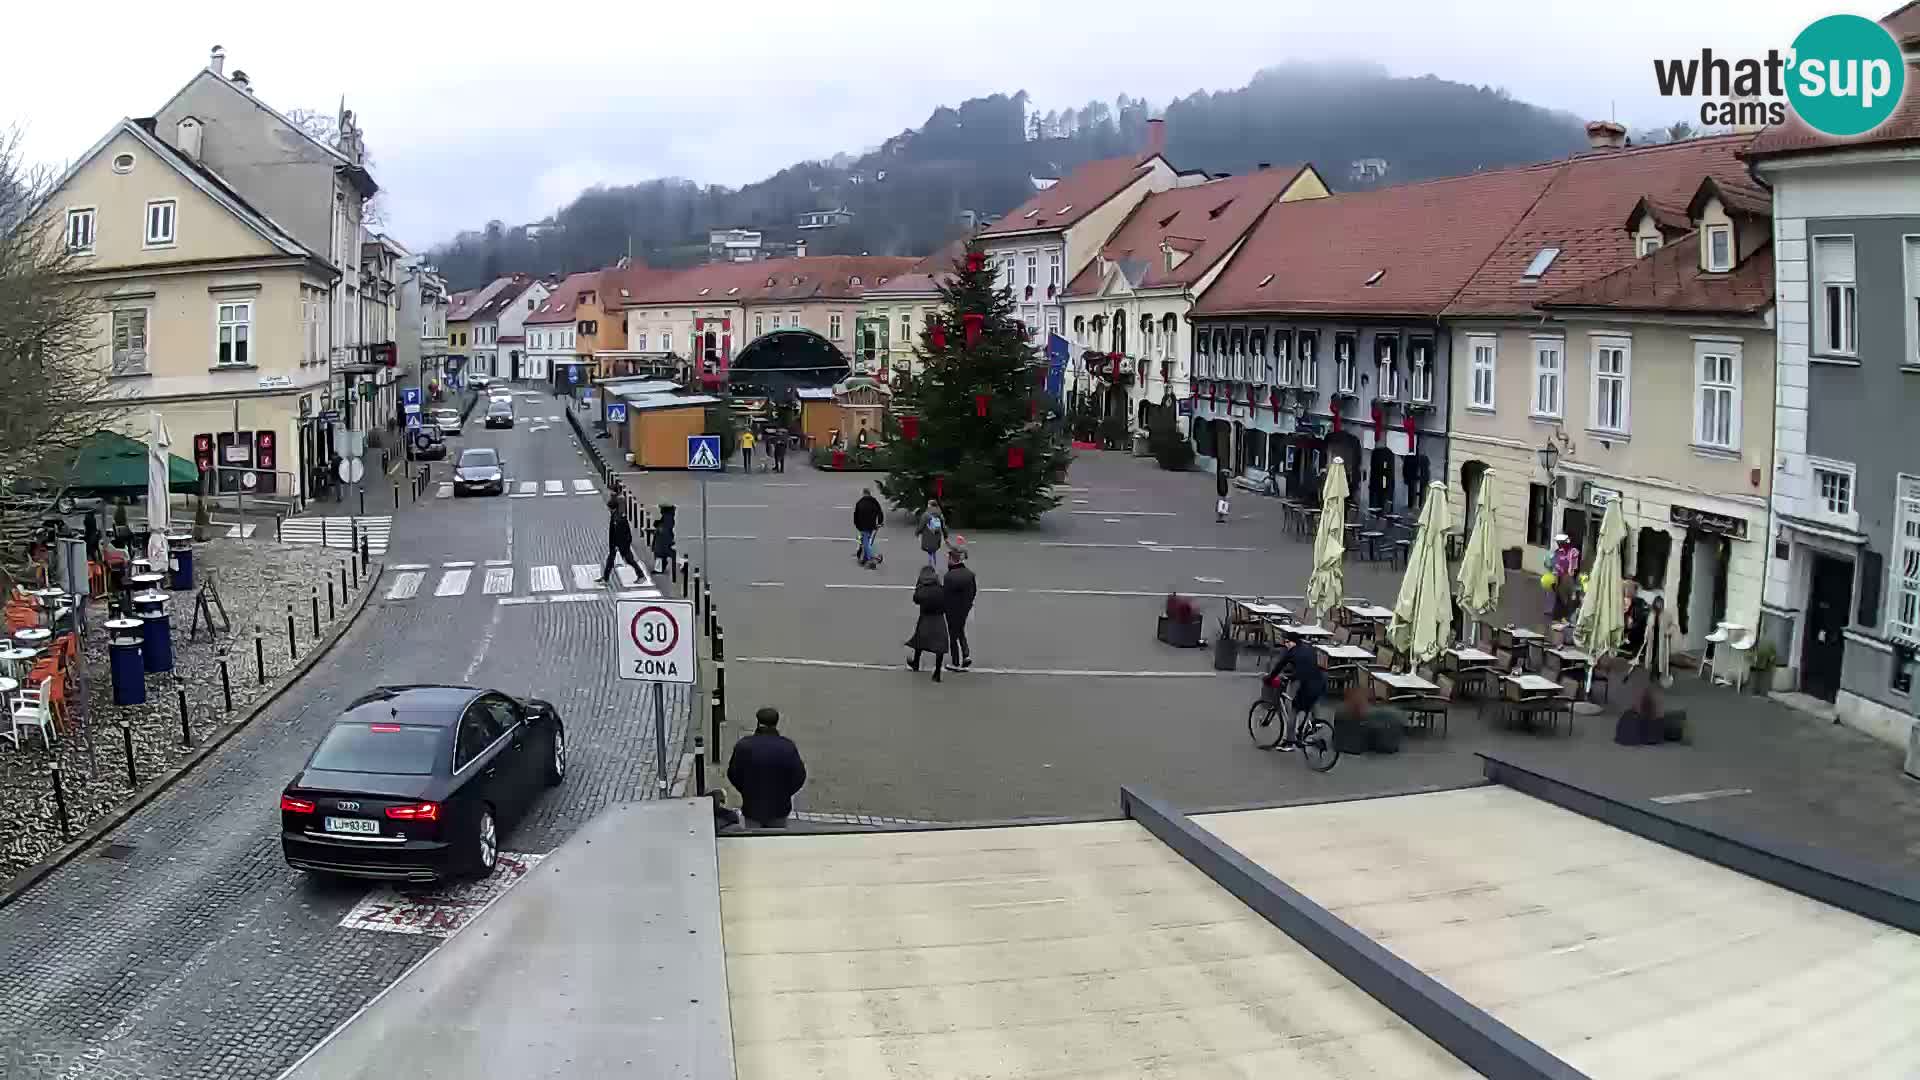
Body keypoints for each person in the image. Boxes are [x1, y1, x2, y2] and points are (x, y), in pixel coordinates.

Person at [725, 707, 807, 828]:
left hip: (752, 807)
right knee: (775, 842)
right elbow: (799, 776)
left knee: (753, 842)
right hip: (779, 808)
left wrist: (747, 792)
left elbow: (733, 774)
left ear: (758, 722)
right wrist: (785, 794)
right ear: (776, 723)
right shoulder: (787, 747)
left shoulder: (744, 746)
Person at [1263, 629, 1327, 749]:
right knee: (1311, 701)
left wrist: (1269, 678)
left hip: (1307, 684)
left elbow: (1279, 666)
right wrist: (1293, 676)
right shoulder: (1309, 648)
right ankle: (1316, 722)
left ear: (1293, 642)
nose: (1285, 644)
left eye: (1287, 642)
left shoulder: (1291, 652)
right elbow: (1306, 667)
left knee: (1293, 710)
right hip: (1320, 681)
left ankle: (1289, 742)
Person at [904, 565, 949, 681]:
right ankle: (937, 672)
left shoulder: (922, 589)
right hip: (938, 618)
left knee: (920, 641)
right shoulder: (941, 589)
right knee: (940, 646)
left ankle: (916, 663)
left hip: (925, 617)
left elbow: (916, 599)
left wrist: (918, 586)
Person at [943, 541, 977, 670]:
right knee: (961, 631)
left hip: (952, 610)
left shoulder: (949, 576)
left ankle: (956, 662)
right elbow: (974, 592)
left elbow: (945, 596)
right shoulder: (970, 574)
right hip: (965, 609)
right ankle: (966, 655)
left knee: (953, 635)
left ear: (952, 559)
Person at [598, 493, 644, 584]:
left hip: (621, 543)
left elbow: (619, 534)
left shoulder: (617, 518)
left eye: (608, 508)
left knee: (629, 560)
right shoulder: (617, 515)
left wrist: (616, 545)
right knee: (611, 560)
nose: (607, 509)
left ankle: (641, 575)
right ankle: (605, 578)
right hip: (618, 543)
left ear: (612, 508)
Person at [853, 487, 884, 568]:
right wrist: (880, 522)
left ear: (863, 493)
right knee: (866, 541)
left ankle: (872, 558)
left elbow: (855, 516)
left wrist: (857, 526)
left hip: (862, 526)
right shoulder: (874, 502)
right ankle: (866, 557)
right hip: (871, 525)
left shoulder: (859, 502)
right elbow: (880, 512)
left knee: (864, 542)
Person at [916, 500, 946, 568]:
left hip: (928, 536)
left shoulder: (926, 514)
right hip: (937, 536)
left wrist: (917, 533)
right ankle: (935, 566)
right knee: (934, 550)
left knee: (929, 552)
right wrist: (945, 535)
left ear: (930, 505)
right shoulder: (940, 514)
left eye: (928, 504)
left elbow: (921, 525)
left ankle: (930, 566)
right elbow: (943, 526)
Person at [650, 502, 677, 574]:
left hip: (663, 538)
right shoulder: (667, 515)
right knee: (660, 552)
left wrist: (659, 528)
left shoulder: (667, 517)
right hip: (664, 537)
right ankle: (660, 567)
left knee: (659, 552)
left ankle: (659, 568)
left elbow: (664, 528)